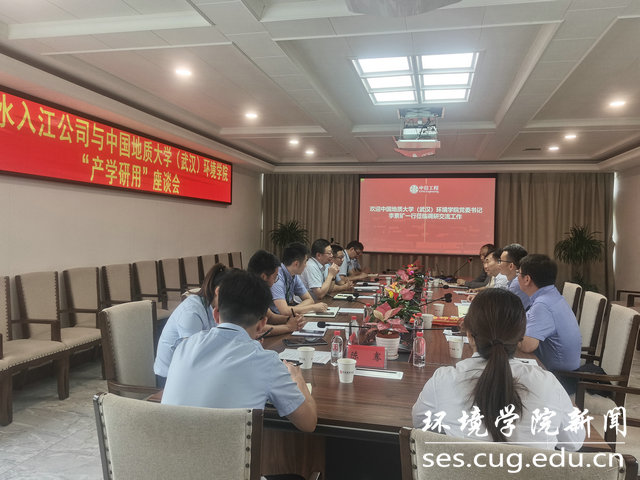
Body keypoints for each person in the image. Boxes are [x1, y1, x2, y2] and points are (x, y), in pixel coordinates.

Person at [411, 289, 584, 450]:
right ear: (520, 337)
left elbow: (421, 425)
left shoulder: (444, 380)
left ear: (469, 334)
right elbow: (574, 442)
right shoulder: (548, 384)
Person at [162, 270, 317, 432]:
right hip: (226, 449)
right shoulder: (266, 362)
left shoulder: (184, 346)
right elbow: (308, 423)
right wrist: (298, 379)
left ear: (216, 315)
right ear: (262, 324)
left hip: (165, 445)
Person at [153, 263, 227, 384]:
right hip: (169, 378)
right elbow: (193, 357)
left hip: (193, 371)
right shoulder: (191, 312)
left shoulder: (213, 306)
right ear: (218, 291)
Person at [517, 254, 581, 372]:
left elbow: (527, 346)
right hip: (560, 368)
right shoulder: (552, 294)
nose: (517, 278)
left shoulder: (543, 304)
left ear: (527, 279)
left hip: (561, 376)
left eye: (518, 273)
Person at [247, 249, 307, 335]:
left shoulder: (259, 290)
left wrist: (289, 319)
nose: (275, 282)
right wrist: (288, 327)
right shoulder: (247, 292)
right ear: (264, 277)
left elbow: (270, 317)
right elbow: (254, 328)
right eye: (275, 277)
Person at [270, 242, 328, 315]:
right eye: (305, 262)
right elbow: (284, 311)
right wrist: (312, 308)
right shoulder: (276, 277)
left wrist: (292, 310)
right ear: (296, 264)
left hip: (287, 315)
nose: (306, 265)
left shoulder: (294, 275)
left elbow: (309, 300)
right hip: (273, 318)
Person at [499, 243, 530, 308]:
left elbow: (508, 310)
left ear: (511, 266)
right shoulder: (516, 281)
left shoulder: (517, 283)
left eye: (501, 261)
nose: (499, 264)